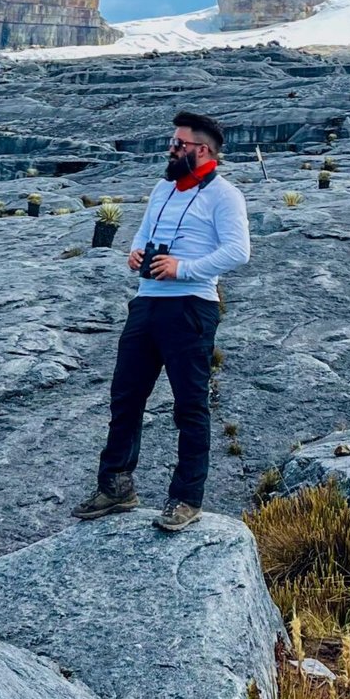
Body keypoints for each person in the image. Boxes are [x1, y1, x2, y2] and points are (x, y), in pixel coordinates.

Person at [73, 109, 251, 532]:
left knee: (189, 405)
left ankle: (187, 498)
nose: (170, 149)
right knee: (125, 397)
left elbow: (238, 252)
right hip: (147, 302)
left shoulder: (225, 195)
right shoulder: (163, 188)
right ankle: (116, 486)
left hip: (190, 306)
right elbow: (145, 231)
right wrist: (136, 252)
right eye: (172, 143)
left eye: (178, 144)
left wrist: (182, 268)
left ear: (202, 150)